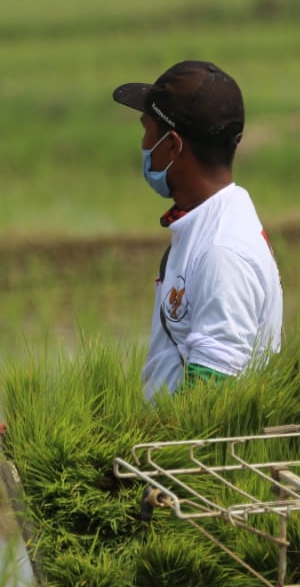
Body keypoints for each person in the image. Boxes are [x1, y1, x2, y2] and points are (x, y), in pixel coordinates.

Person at [112, 60, 282, 399]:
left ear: (173, 146)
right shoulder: (205, 226)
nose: (144, 145)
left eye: (148, 130)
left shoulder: (223, 252)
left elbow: (207, 408)